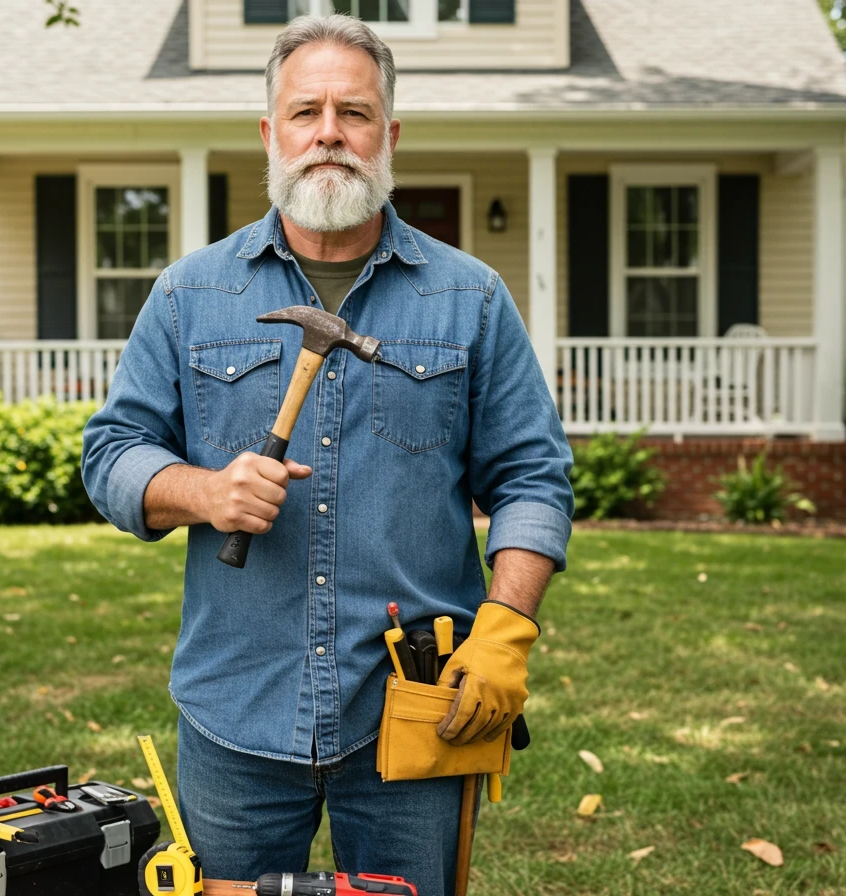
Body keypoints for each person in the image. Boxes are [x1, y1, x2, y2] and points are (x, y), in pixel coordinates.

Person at [80, 14, 573, 896]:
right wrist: (201, 491)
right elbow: (111, 453)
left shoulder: (471, 298)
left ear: (390, 135)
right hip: (236, 712)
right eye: (306, 112)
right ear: (272, 135)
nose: (329, 133)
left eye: (354, 111)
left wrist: (506, 630)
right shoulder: (192, 294)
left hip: (418, 708)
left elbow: (533, 477)